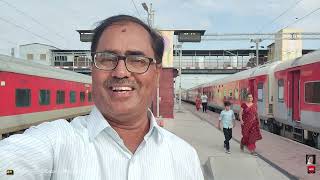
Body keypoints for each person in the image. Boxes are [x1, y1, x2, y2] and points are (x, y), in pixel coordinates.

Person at [0, 15, 203, 180]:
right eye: (106, 59)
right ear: (92, 69)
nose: (121, 72)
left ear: (156, 73)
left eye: (138, 60)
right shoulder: (56, 143)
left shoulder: (185, 157)